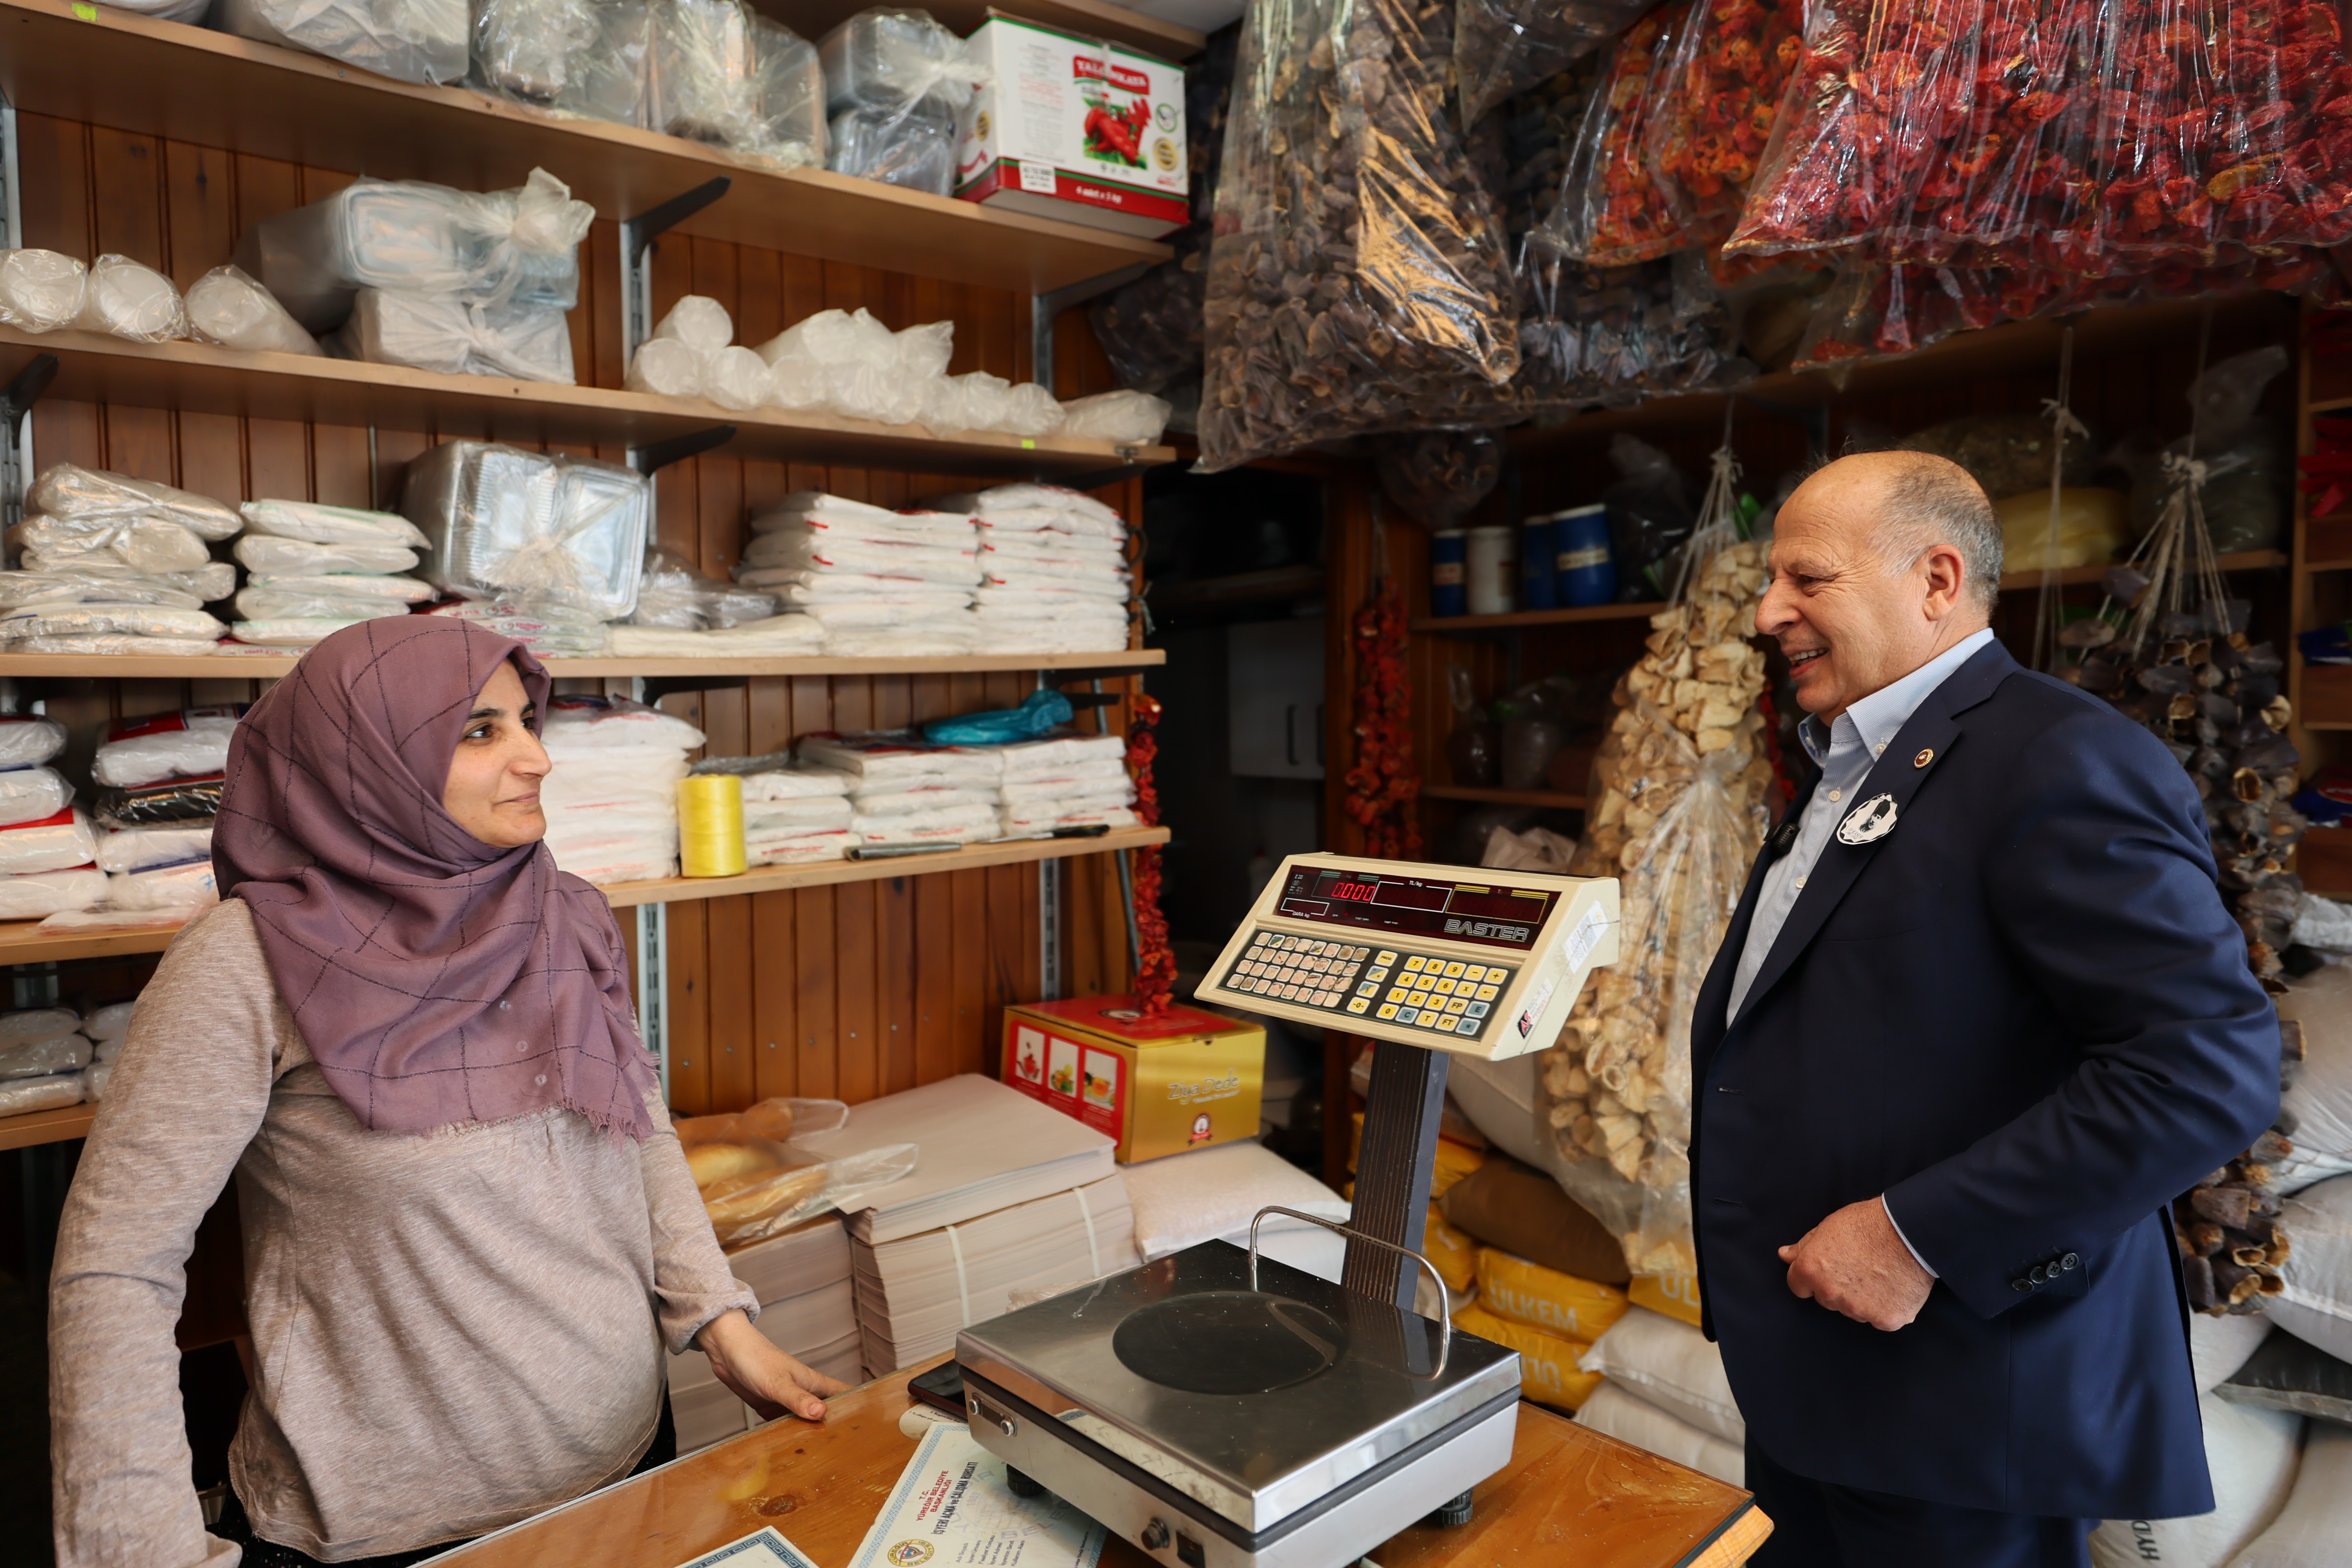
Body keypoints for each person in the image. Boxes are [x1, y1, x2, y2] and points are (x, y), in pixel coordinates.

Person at [50, 619, 846, 1568]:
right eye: (480, 731)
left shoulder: (567, 912)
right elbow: (116, 1265)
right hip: (388, 1537)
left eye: (527, 722)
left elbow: (636, 1133)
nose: (538, 757)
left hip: (632, 1468)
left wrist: (717, 1318)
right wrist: (144, 1550)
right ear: (370, 761)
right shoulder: (247, 961)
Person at [1690, 451, 2279, 1567]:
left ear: (1937, 578)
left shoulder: (2056, 758)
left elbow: (2205, 1065)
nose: (1770, 612)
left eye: (1807, 580)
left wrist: (1917, 1234)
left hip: (1957, 1389)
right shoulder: (1851, 761)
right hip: (1826, 1372)